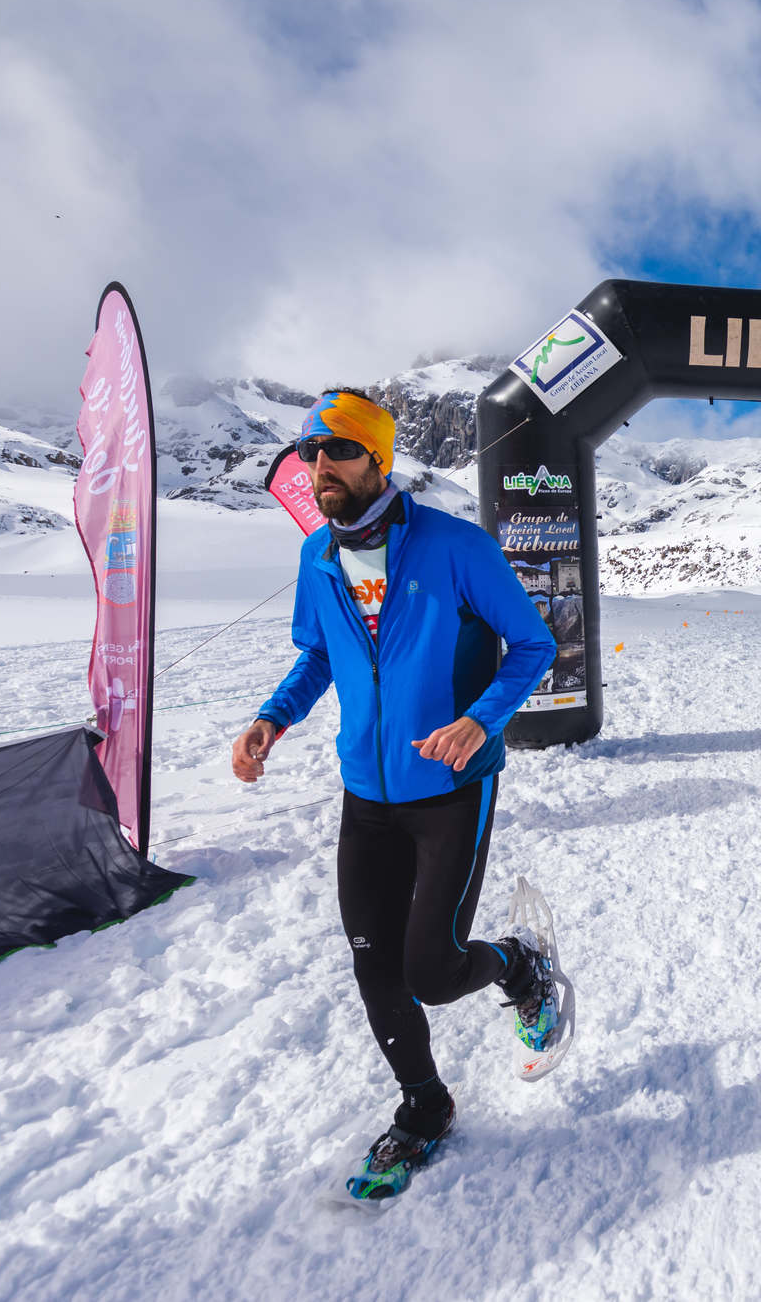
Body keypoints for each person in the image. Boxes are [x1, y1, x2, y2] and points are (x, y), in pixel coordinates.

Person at [229, 389, 561, 1196]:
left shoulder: (456, 547)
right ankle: (424, 1105)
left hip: (451, 788)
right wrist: (272, 722)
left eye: (338, 450)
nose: (319, 467)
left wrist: (480, 722)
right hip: (365, 796)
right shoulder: (317, 559)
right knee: (374, 968)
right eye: (310, 452)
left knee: (433, 973)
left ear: (379, 458)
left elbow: (533, 643)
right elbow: (317, 657)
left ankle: (521, 968)